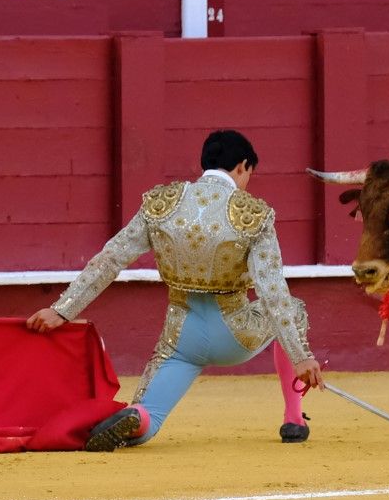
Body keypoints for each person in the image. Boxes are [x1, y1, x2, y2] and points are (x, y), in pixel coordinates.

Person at [29, 126, 314, 448]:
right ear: (242, 166)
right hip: (237, 334)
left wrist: (62, 310)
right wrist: (300, 355)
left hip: (181, 339)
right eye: (250, 173)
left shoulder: (161, 204)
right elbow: (273, 290)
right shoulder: (254, 214)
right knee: (295, 308)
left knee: (148, 413)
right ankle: (293, 420)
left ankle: (140, 419)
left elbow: (110, 259)